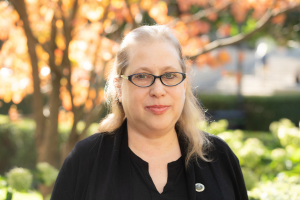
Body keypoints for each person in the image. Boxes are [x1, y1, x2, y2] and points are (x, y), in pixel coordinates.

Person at [51, 25, 248, 200]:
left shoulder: (219, 158)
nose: (158, 90)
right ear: (119, 88)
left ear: (184, 84)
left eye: (170, 75)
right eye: (142, 76)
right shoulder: (86, 161)